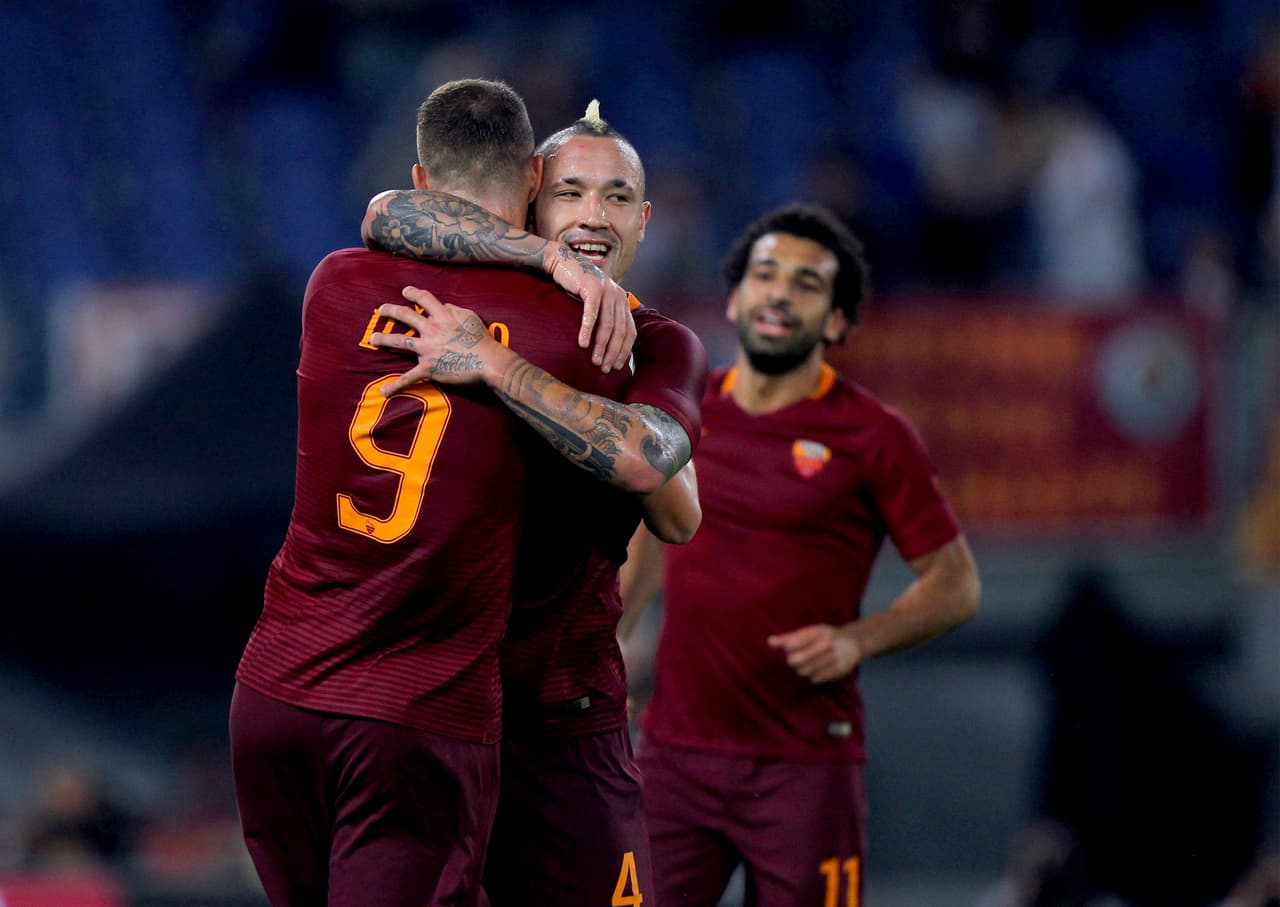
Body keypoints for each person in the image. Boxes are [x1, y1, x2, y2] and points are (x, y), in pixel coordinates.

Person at [229, 79, 646, 907]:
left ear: (424, 179)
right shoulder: (573, 328)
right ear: (534, 178)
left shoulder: (333, 283)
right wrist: (553, 266)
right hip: (415, 714)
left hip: (273, 698)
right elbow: (647, 473)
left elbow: (384, 215)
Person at [361, 101, 708, 906]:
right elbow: (384, 211)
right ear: (528, 199)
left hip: (564, 722)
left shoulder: (650, 345)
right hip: (437, 707)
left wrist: (503, 370)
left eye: (617, 197)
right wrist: (545, 271)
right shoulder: (462, 304)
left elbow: (677, 515)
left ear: (644, 221)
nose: (593, 215)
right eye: (570, 192)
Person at [625, 203, 982, 906]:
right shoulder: (686, 412)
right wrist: (612, 641)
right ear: (735, 299)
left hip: (805, 765)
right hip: (673, 756)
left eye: (807, 283)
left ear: (838, 321)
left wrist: (858, 639)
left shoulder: (874, 435)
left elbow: (957, 584)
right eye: (765, 275)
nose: (780, 293)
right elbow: (649, 543)